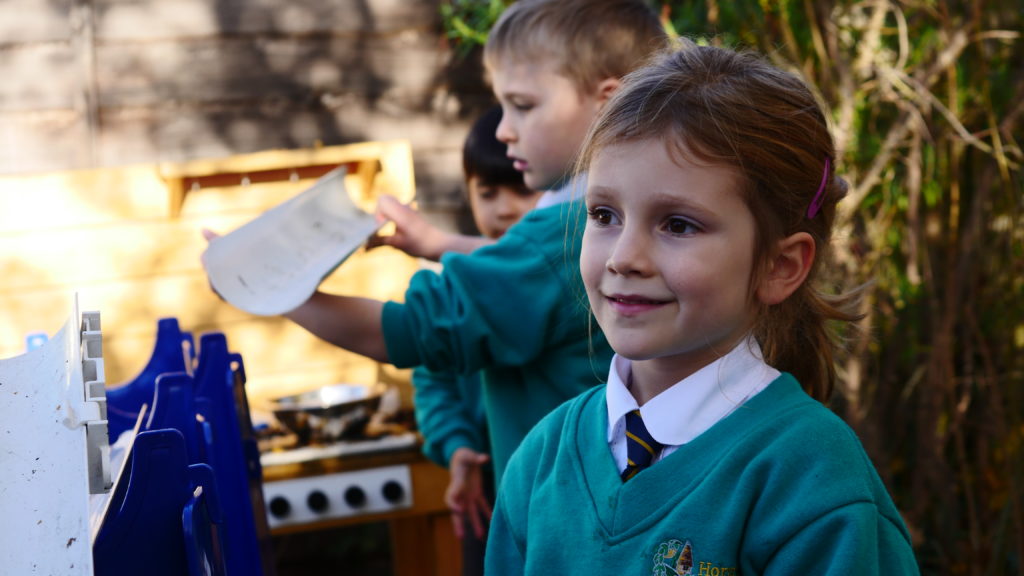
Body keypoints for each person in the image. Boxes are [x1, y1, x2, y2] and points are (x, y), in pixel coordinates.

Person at [485, 42, 921, 575]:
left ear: (780, 266)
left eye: (678, 224)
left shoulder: (811, 479)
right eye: (604, 214)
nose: (625, 258)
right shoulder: (540, 459)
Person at [207, 0, 664, 492]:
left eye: (523, 105)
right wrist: (438, 243)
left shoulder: (561, 233)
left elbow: (410, 330)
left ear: (605, 103)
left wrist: (270, 287)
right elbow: (532, 273)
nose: (504, 128)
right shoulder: (610, 223)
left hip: (558, 515)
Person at [410, 105, 541, 575]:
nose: (504, 207)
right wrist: (456, 444)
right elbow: (433, 379)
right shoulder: (459, 283)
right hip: (487, 480)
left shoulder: (570, 273)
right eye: (487, 193)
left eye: (520, 190)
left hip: (554, 478)